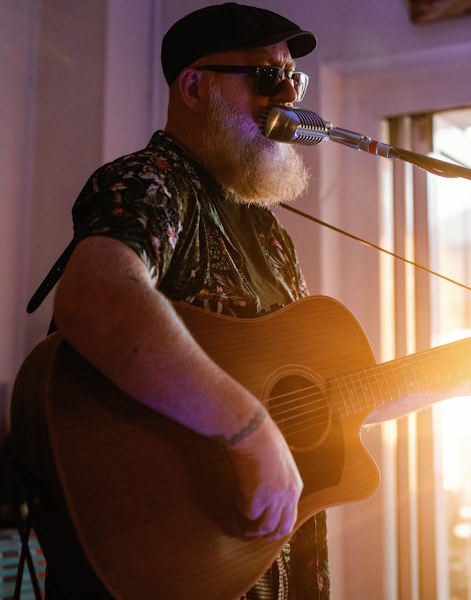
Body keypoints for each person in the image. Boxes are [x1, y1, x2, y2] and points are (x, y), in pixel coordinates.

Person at [47, 3, 328, 599]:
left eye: (293, 80)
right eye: (268, 76)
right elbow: (96, 297)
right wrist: (249, 430)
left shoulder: (269, 235)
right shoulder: (151, 182)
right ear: (195, 88)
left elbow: (319, 396)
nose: (287, 97)